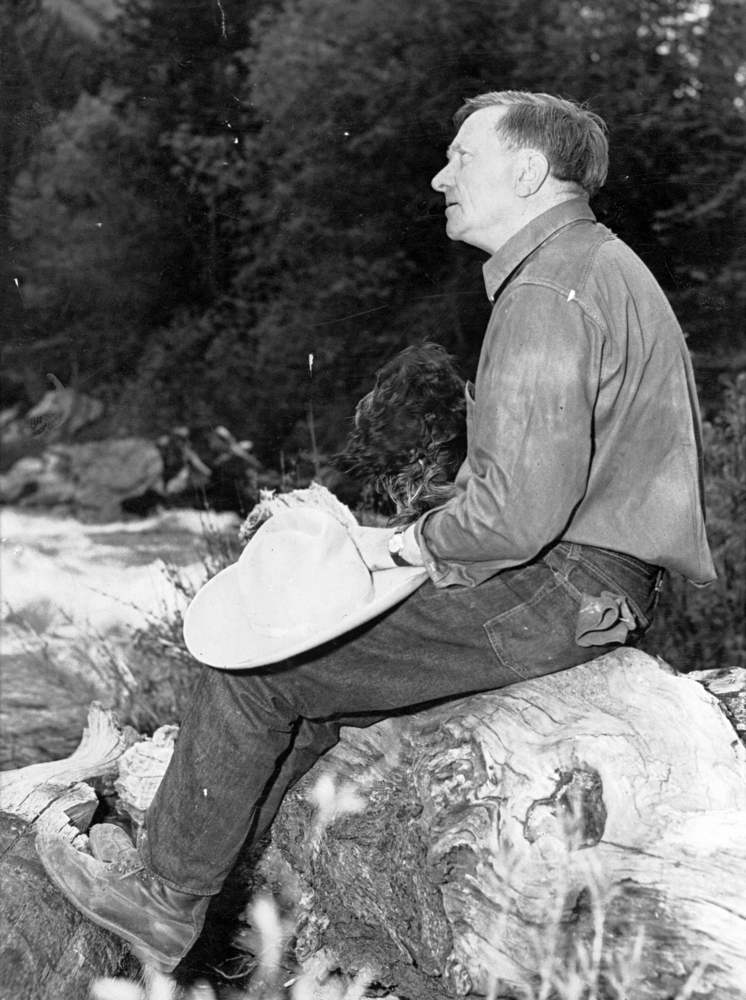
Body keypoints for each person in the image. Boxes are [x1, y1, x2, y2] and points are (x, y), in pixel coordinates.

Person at [37, 91, 716, 972]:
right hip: (586, 584)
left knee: (250, 662)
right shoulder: (591, 264)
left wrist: (395, 547)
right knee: (313, 696)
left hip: (557, 585)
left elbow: (514, 512)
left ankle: (165, 900)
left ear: (526, 169)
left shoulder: (548, 288)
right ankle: (222, 915)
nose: (441, 177)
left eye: (461, 158)